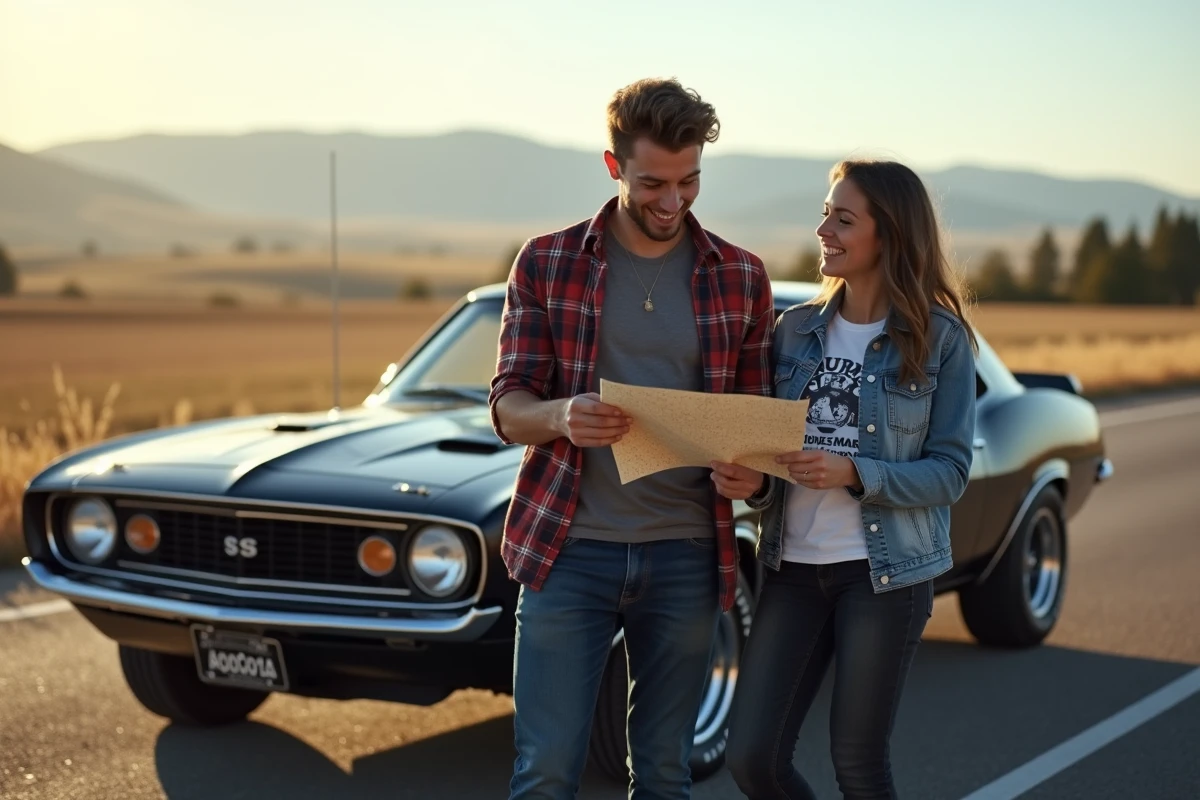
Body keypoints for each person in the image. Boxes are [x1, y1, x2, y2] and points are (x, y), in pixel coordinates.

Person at [488, 77, 775, 800]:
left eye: (689, 182)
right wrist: (561, 417)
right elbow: (507, 407)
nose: (672, 202)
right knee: (545, 772)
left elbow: (757, 426)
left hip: (686, 554)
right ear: (614, 167)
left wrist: (755, 478)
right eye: (653, 183)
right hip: (569, 551)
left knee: (664, 775)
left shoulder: (741, 277)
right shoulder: (547, 262)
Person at [710, 159, 978, 799]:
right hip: (792, 569)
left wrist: (857, 472)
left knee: (857, 763)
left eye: (843, 217)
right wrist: (752, 481)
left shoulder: (939, 339)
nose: (823, 228)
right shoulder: (795, 330)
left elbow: (950, 471)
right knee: (752, 757)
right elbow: (773, 458)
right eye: (826, 212)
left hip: (883, 575)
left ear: (888, 234)